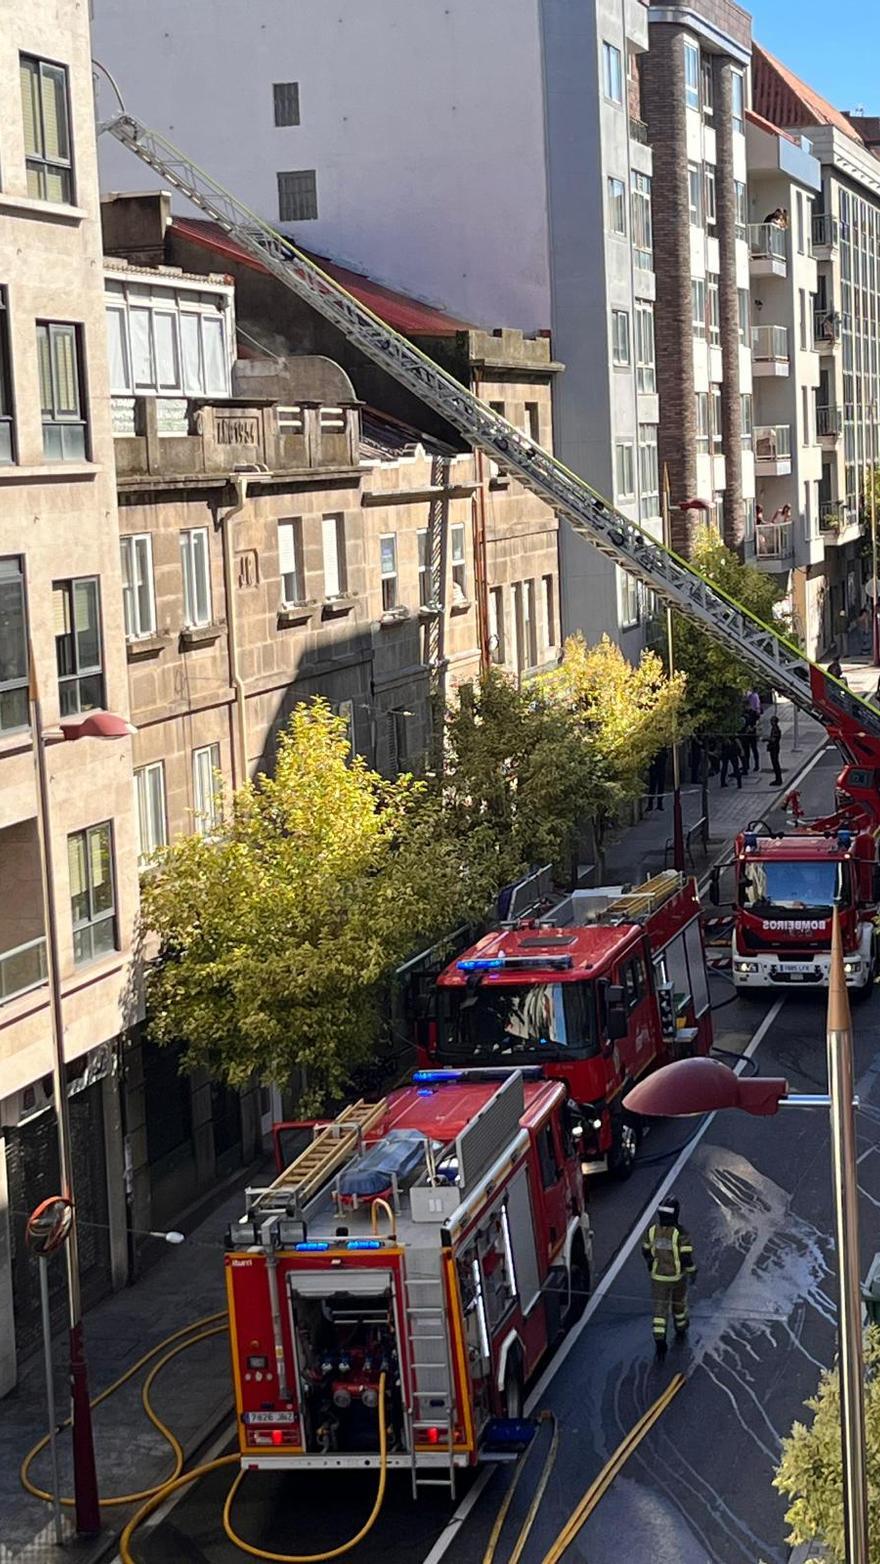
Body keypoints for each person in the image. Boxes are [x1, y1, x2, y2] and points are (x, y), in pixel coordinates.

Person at [642, 1197, 696, 1361]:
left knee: (660, 1309)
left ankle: (660, 1339)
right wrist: (692, 1271)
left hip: (658, 1278)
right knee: (679, 1304)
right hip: (677, 1277)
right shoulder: (681, 1233)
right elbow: (686, 1257)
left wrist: (651, 1262)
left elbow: (645, 1250)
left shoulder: (652, 1231)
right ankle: (680, 1328)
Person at [741, 709, 760, 773]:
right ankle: (747, 764)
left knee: (754, 749)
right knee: (747, 750)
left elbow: (758, 721)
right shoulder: (743, 713)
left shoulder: (753, 713)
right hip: (746, 735)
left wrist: (753, 728)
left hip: (752, 734)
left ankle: (756, 765)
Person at [766, 713, 783, 787]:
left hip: (774, 748)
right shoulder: (774, 729)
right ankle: (777, 779)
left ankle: (778, 780)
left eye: (772, 721)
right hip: (774, 748)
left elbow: (773, 739)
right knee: (775, 764)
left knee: (775, 764)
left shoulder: (776, 729)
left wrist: (766, 739)